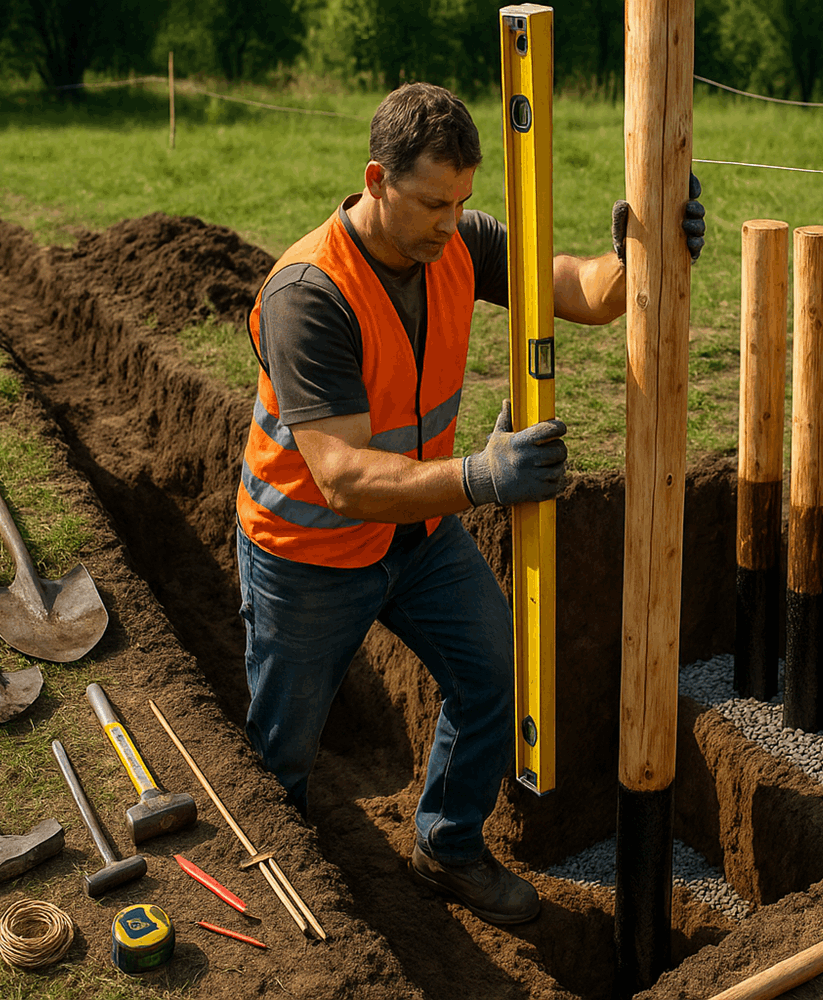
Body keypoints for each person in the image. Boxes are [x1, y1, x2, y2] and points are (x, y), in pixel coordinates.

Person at [235, 82, 705, 925]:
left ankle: (448, 847)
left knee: (494, 675)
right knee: (282, 752)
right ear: (377, 179)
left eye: (463, 202)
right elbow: (340, 474)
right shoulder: (308, 293)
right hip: (307, 555)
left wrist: (641, 258)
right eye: (431, 203)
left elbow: (573, 288)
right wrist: (482, 478)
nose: (452, 223)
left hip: (417, 534)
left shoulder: (453, 239)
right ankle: (286, 911)